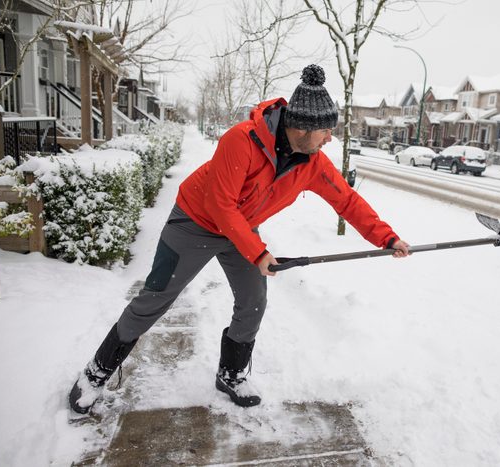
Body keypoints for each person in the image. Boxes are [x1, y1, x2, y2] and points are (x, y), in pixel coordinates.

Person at [68, 64, 410, 413]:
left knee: (253, 301)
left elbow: (347, 200)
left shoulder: (312, 163)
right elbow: (220, 204)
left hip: (241, 229)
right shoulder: (242, 140)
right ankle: (95, 374)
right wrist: (259, 253)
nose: (329, 138)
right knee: (154, 298)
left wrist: (386, 238)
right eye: (325, 130)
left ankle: (231, 373)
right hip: (192, 223)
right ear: (303, 128)